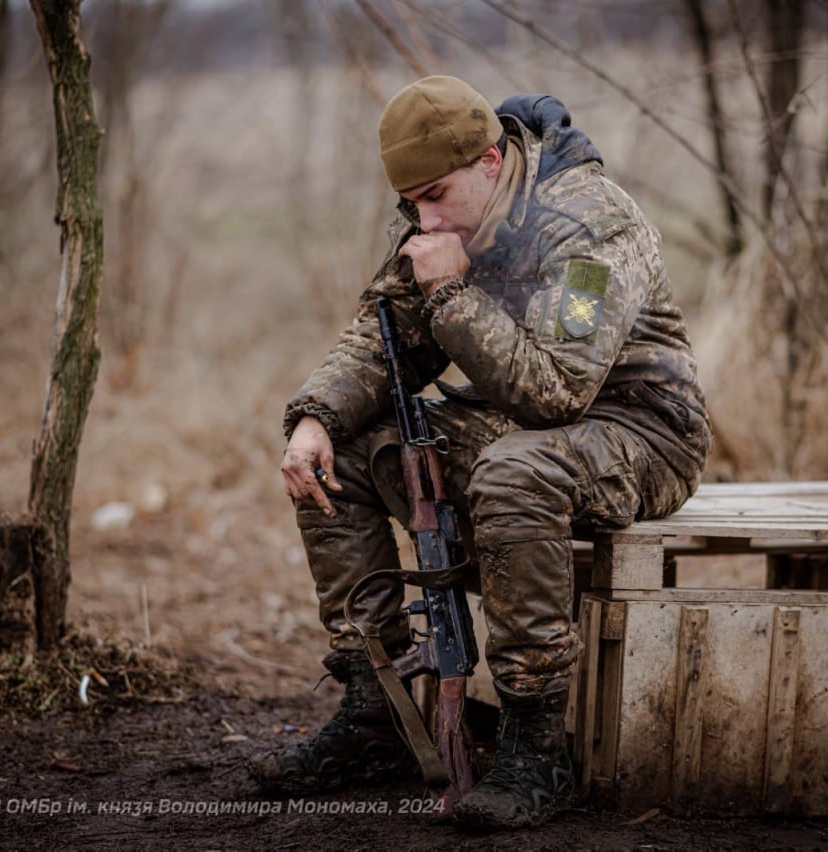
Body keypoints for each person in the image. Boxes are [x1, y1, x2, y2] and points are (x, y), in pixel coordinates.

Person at [251, 75, 710, 830]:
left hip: (643, 433)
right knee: (355, 450)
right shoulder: (444, 222)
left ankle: (536, 741)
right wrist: (314, 418)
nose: (425, 220)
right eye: (412, 205)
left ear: (492, 162)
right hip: (519, 426)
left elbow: (556, 392)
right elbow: (382, 336)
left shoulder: (590, 226)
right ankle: (379, 713)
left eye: (437, 196)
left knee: (515, 470)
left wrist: (454, 298)